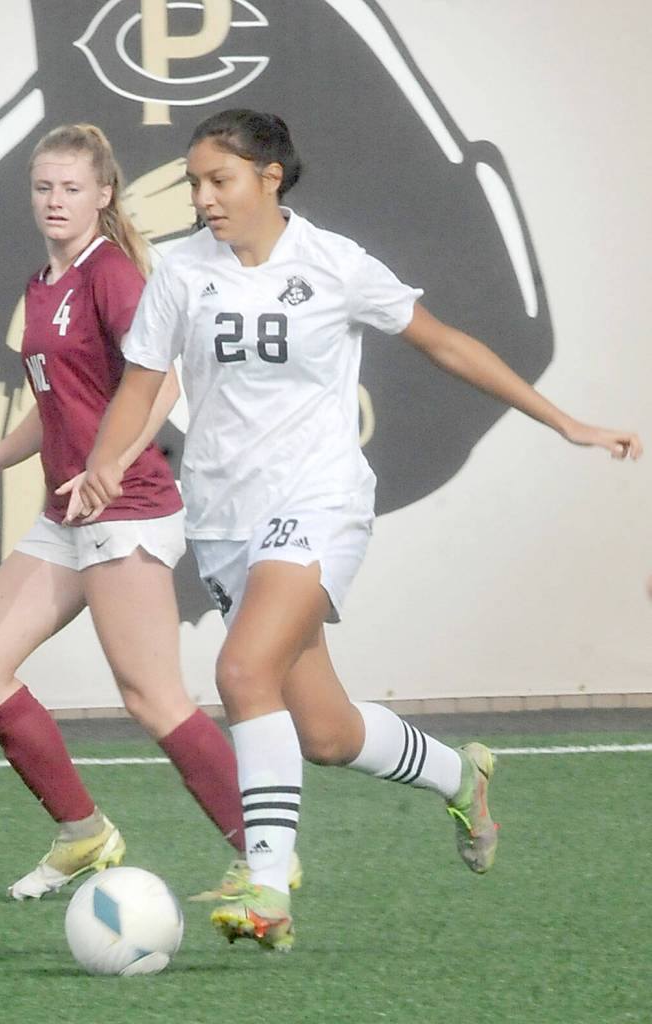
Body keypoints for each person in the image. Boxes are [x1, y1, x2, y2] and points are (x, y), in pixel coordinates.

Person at [72, 109, 644, 952]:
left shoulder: (334, 263)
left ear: (270, 177)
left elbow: (444, 343)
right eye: (193, 182)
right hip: (225, 519)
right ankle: (462, 774)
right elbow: (140, 385)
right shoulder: (180, 271)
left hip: (321, 500)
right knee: (328, 733)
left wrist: (564, 422)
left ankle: (266, 881)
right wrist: (106, 461)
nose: (201, 197)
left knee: (239, 670)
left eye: (218, 180)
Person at [0, 123, 302, 902]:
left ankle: (264, 855)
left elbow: (162, 385)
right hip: (65, 512)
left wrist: (106, 472)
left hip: (128, 506)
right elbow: (57, 405)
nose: (55, 200)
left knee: (151, 697)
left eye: (72, 187)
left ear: (104, 194)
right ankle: (84, 833)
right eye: (44, 187)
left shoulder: (110, 272)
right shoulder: (43, 282)